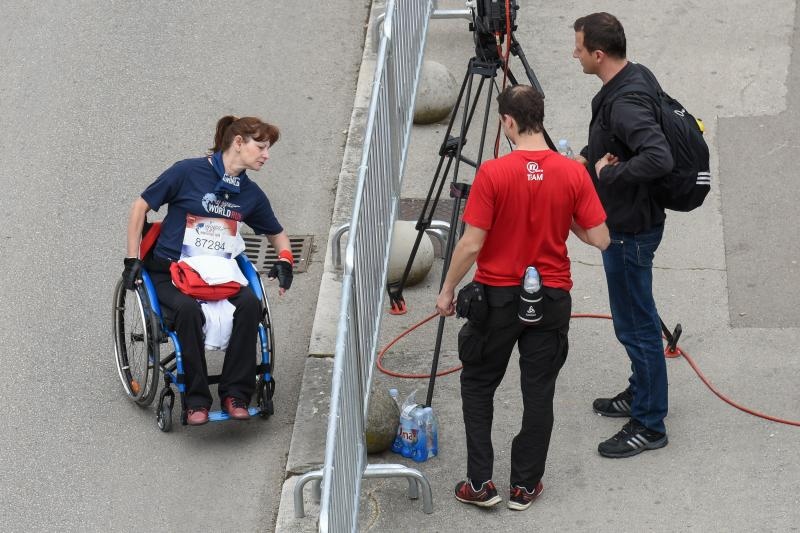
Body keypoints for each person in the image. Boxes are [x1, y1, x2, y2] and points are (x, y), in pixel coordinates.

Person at [435, 85, 609, 511]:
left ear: (508, 122)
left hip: (497, 298)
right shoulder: (571, 173)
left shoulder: (493, 174)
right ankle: (525, 487)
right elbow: (601, 238)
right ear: (540, 118)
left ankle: (480, 484)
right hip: (550, 298)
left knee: (478, 384)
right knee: (538, 391)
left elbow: (472, 244)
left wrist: (447, 289)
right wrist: (563, 215)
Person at [122, 116, 294, 426]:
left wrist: (285, 260)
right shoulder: (187, 172)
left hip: (219, 274)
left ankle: (235, 394)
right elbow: (140, 207)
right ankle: (196, 400)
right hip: (171, 272)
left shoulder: (250, 194)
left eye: (268, 149)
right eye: (262, 147)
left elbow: (278, 234)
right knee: (187, 311)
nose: (266, 155)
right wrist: (131, 258)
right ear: (238, 143)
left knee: (250, 305)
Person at [572, 12, 675, 457]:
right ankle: (640, 392)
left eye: (578, 47)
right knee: (636, 319)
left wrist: (606, 175)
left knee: (636, 327)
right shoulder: (633, 76)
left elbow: (658, 157)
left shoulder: (625, 101)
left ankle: (650, 423)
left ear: (598, 54)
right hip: (632, 223)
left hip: (631, 230)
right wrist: (588, 158)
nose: (573, 54)